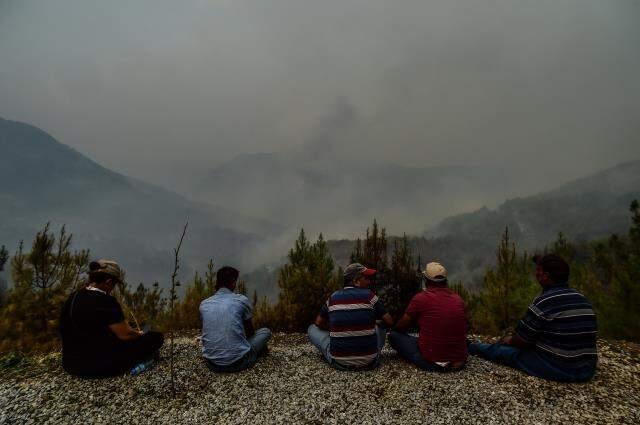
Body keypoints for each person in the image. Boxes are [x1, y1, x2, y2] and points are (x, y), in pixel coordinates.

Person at [469, 254, 598, 382]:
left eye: (538, 271)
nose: (536, 275)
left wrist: (508, 340)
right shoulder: (582, 299)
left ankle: (470, 347)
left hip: (560, 369)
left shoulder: (544, 301)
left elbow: (522, 340)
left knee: (506, 352)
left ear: (546, 276)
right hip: (587, 369)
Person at [60, 259, 164, 377]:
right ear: (108, 282)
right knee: (156, 337)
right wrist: (139, 333)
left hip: (71, 365)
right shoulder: (107, 301)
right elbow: (126, 335)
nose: (113, 288)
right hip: (99, 367)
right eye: (114, 284)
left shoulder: (73, 297)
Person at [308, 263, 394, 371]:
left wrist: (336, 329)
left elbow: (318, 323)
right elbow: (389, 321)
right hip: (370, 362)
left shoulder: (333, 298)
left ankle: (339, 348)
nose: (369, 281)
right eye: (366, 278)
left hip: (339, 362)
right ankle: (371, 352)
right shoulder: (370, 296)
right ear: (356, 281)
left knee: (312, 328)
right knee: (380, 327)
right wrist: (374, 323)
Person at [389, 262, 468, 372]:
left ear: (426, 281)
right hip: (459, 361)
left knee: (394, 336)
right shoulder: (458, 299)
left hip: (433, 362)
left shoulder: (421, 299)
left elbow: (402, 324)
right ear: (445, 281)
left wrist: (395, 329)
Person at [200, 266, 272, 372]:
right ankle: (255, 354)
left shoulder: (204, 304)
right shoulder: (241, 300)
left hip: (212, 364)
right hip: (238, 363)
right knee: (265, 332)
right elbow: (250, 332)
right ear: (233, 282)